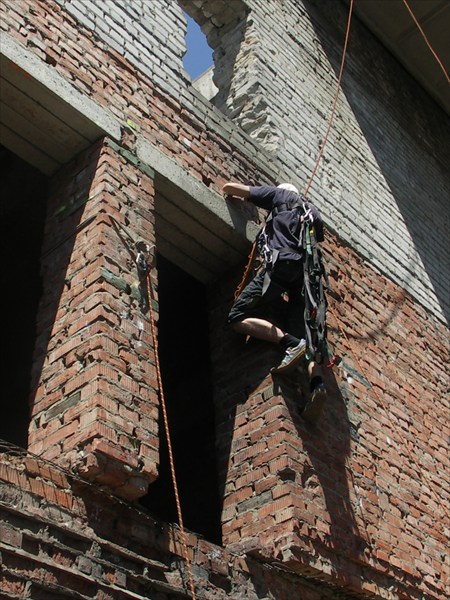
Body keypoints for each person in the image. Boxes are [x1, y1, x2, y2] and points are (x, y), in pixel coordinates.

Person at [222, 181, 327, 418]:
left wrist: (231, 192)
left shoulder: (279, 195)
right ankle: (317, 383)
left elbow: (231, 187)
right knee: (308, 335)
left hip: (281, 269)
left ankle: (289, 343)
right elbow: (316, 237)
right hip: (306, 280)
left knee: (236, 317)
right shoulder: (312, 212)